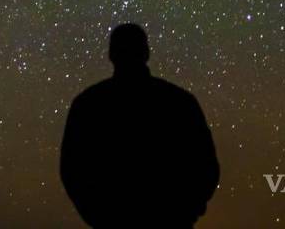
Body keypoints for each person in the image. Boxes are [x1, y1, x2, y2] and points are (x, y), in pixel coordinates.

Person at [60, 23, 219, 228]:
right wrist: (186, 212)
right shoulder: (178, 101)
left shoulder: (88, 104)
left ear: (111, 54)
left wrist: (99, 217)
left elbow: (73, 170)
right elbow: (205, 164)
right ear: (146, 52)